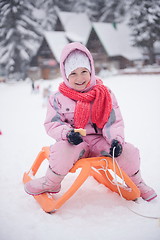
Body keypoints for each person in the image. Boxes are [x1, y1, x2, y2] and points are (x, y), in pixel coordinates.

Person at [24, 42, 157, 201]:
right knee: (60, 150)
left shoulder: (105, 93)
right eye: (73, 73)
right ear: (65, 75)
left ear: (91, 71)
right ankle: (51, 182)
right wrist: (68, 134)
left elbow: (113, 121)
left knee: (128, 151)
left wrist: (116, 140)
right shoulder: (57, 98)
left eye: (83, 71)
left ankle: (138, 183)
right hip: (75, 142)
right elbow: (52, 124)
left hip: (100, 140)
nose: (79, 78)